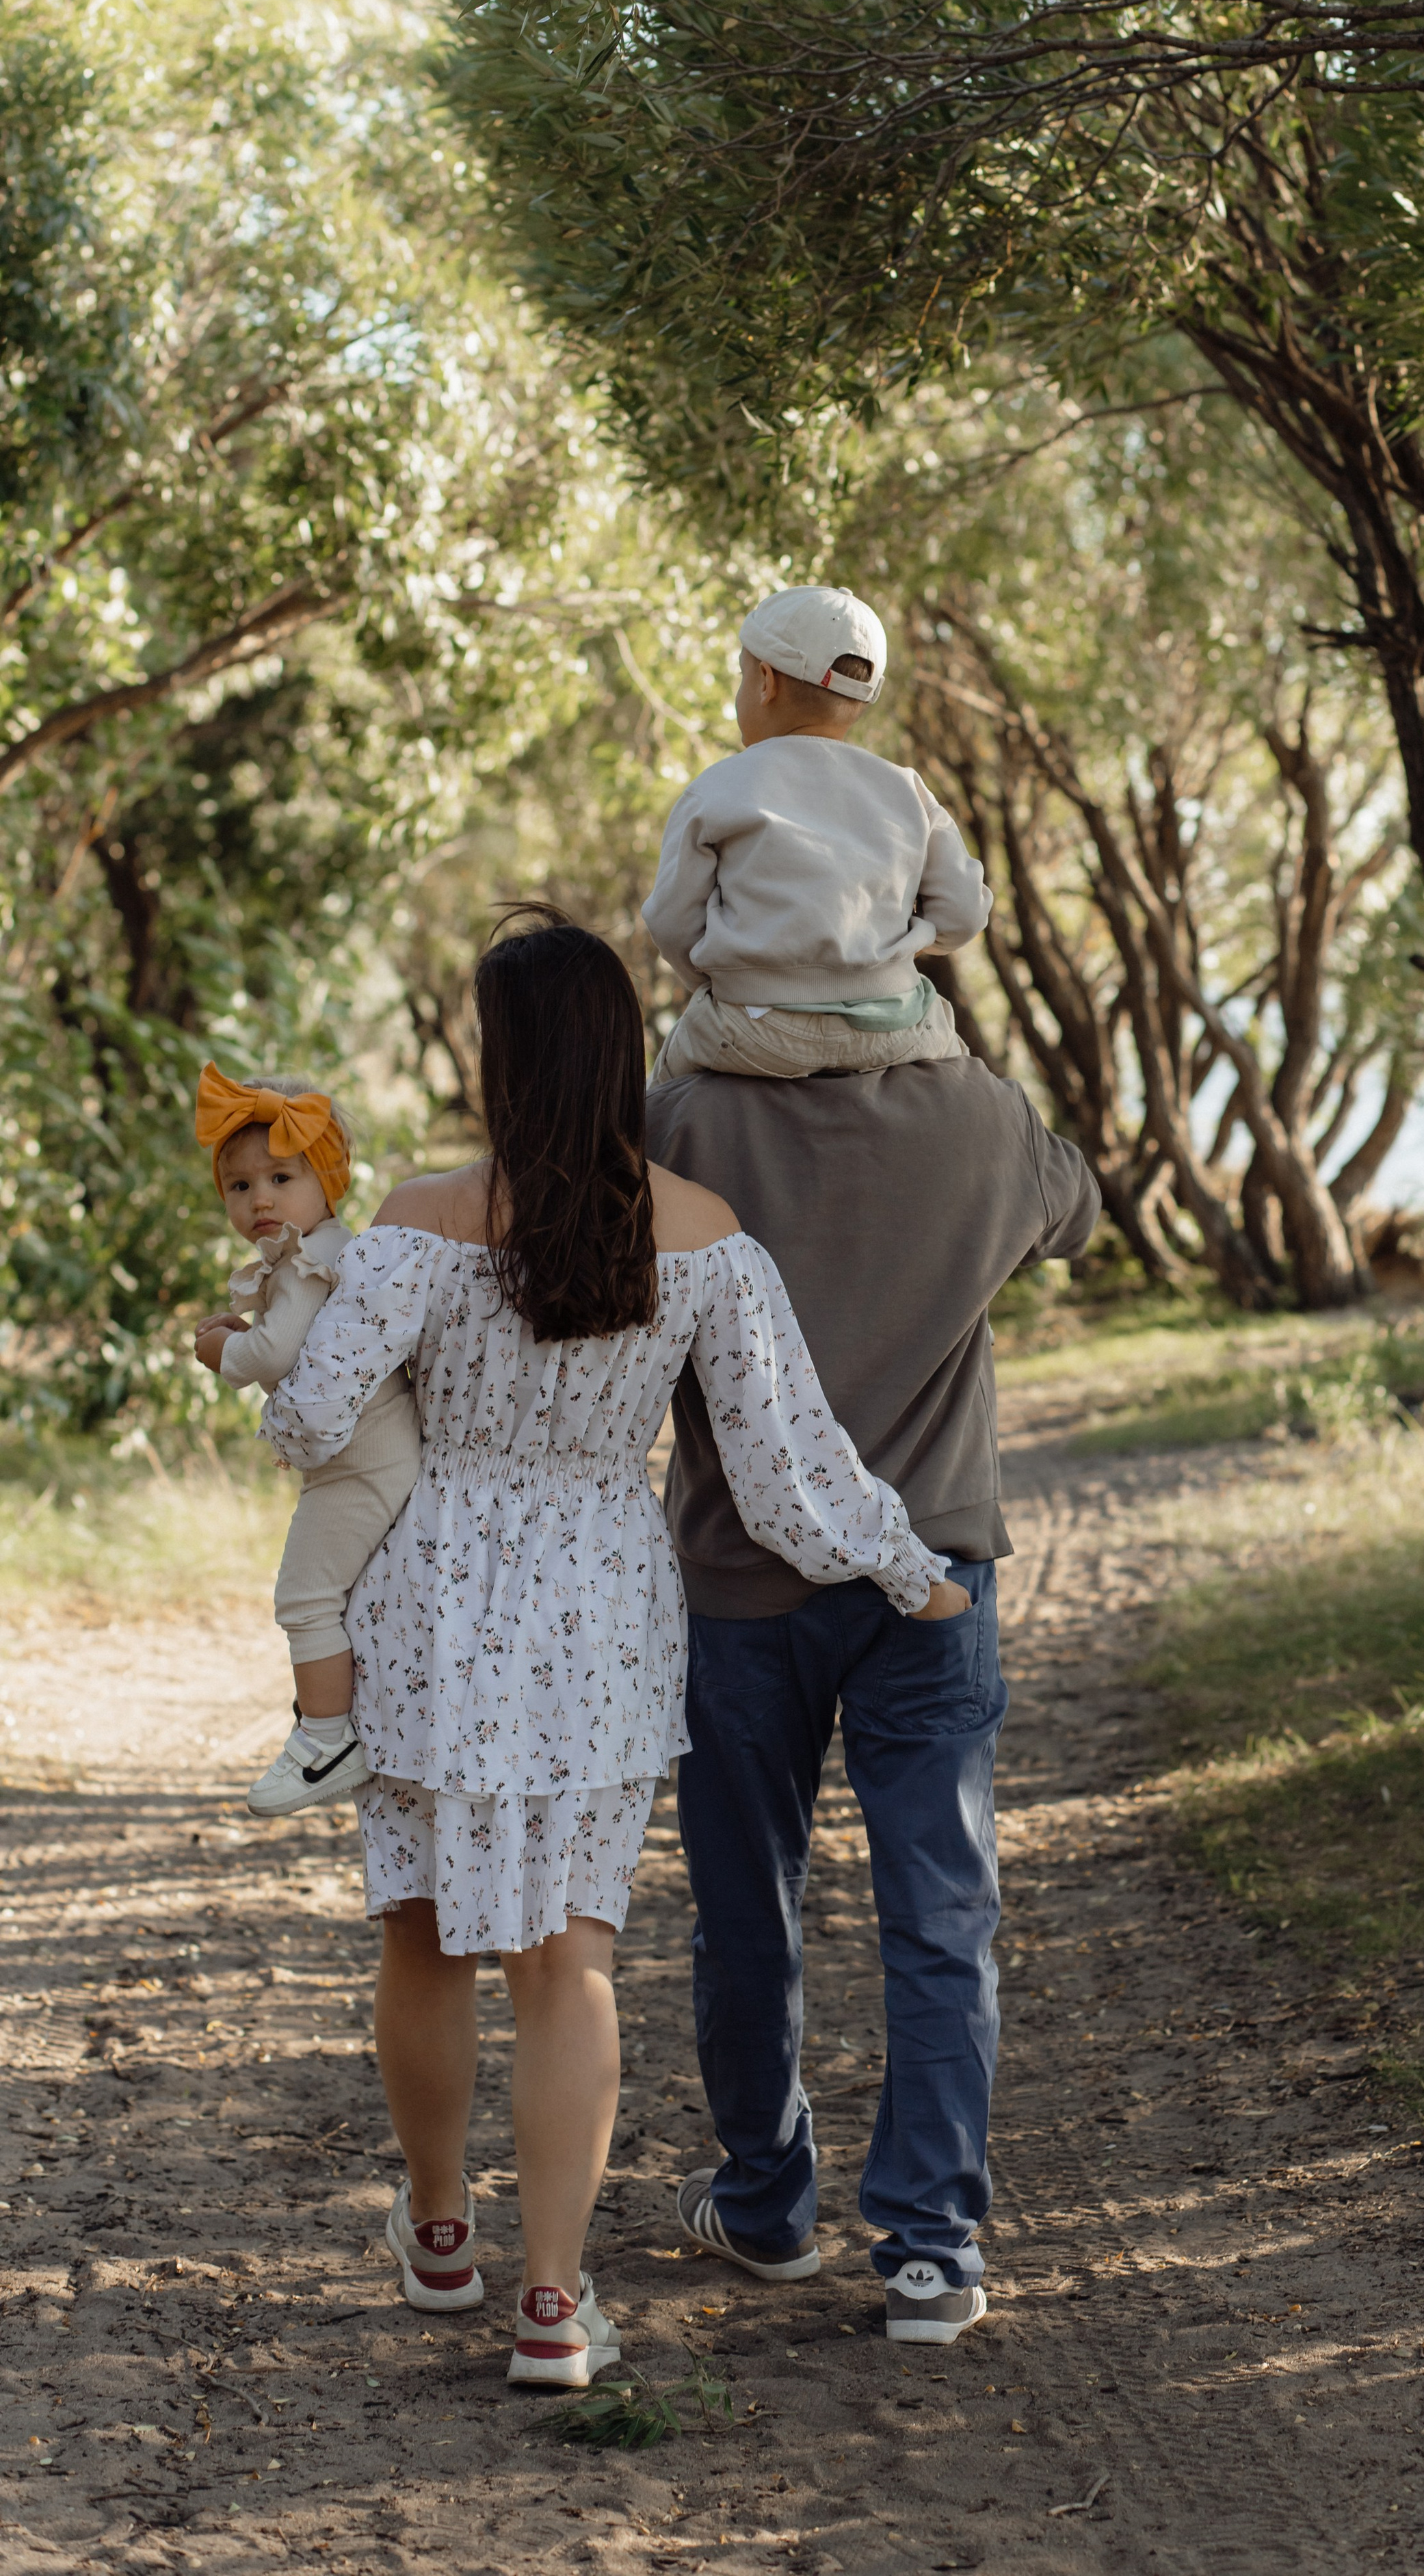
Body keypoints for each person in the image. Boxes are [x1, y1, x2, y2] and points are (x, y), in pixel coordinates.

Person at [259, 910, 968, 2391]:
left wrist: (283, 1355)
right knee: (566, 1961)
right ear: (623, 1055)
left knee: (420, 1930)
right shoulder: (703, 1235)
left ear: (496, 1059)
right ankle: (550, 2307)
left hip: (426, 1595)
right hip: (598, 1606)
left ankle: (440, 2237)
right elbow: (787, 1471)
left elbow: (312, 1421)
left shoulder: (418, 1215)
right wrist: (908, 1567)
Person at [646, 1044, 1102, 2343]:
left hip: (741, 1577)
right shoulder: (984, 1112)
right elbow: (1076, 1212)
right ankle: (930, 2248)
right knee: (943, 1911)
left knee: (744, 1904)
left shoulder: (679, 1115)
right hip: (935, 1568)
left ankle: (766, 2204)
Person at [642, 583, 992, 1083]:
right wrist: (900, 951)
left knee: (660, 1095)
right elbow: (963, 914)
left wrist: (734, 977)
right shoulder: (908, 791)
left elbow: (671, 922)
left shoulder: (715, 789)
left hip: (755, 1030)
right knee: (969, 1078)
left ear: (765, 682)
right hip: (895, 1028)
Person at [192, 1066, 421, 1817]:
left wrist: (223, 1351)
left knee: (305, 1595)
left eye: (281, 1177)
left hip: (363, 1469)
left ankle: (327, 1741)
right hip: (366, 1459)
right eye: (239, 1186)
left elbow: (276, 1356)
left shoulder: (307, 1269)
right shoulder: (315, 1251)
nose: (260, 1199)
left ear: (327, 1178)